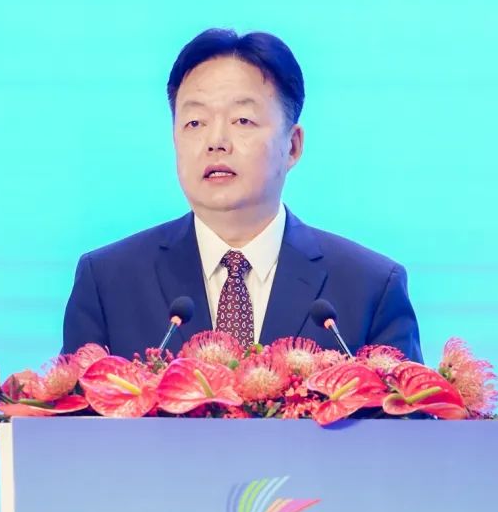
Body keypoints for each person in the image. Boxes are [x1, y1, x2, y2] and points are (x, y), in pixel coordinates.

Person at [62, 28, 423, 362]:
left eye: (242, 121)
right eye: (194, 123)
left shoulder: (370, 287)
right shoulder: (109, 282)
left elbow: (404, 413)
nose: (216, 141)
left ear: (293, 146)